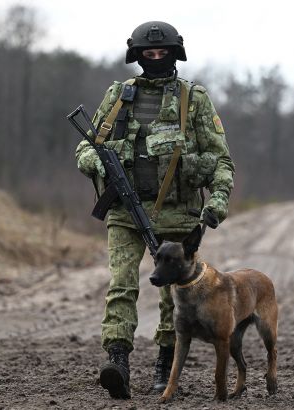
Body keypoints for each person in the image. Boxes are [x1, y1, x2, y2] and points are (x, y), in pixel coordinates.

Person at [75, 21, 235, 399]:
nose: (156, 57)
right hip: (125, 212)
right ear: (137, 55)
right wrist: (97, 163)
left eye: (163, 52)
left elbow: (220, 160)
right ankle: (118, 361)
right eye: (149, 53)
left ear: (175, 54)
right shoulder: (118, 96)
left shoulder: (192, 99)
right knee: (122, 285)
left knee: (172, 296)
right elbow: (85, 148)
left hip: (178, 216)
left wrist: (217, 202)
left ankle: (166, 366)